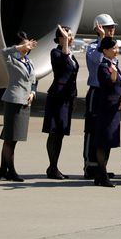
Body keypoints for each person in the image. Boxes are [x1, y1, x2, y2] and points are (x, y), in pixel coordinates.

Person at [0, 31, 38, 182]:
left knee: (13, 138)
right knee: (10, 138)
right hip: (13, 100)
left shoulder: (29, 61)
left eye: (28, 44)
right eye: (24, 44)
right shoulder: (11, 59)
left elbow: (33, 80)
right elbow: (3, 51)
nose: (27, 47)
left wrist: (33, 93)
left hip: (25, 102)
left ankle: (2, 169)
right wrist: (18, 47)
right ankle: (11, 171)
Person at [42, 25, 79, 180]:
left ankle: (54, 167)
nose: (71, 37)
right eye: (68, 35)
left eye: (71, 35)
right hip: (57, 97)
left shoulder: (71, 54)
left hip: (68, 98)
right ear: (61, 37)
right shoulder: (56, 52)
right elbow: (62, 64)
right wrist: (64, 43)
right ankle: (52, 167)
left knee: (61, 134)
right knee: (54, 132)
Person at [84, 14, 117, 179]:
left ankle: (102, 166)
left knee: (106, 130)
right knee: (92, 129)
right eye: (108, 27)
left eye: (112, 27)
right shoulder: (92, 47)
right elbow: (98, 59)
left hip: (108, 93)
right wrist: (103, 39)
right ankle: (90, 165)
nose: (112, 30)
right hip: (96, 91)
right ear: (99, 29)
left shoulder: (113, 47)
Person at [92, 36, 121, 187]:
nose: (116, 50)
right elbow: (107, 84)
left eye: (117, 48)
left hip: (115, 109)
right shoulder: (102, 66)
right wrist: (112, 76)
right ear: (105, 50)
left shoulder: (114, 64)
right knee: (103, 142)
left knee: (109, 141)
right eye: (113, 48)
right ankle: (102, 173)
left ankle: (101, 173)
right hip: (106, 108)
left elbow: (120, 84)